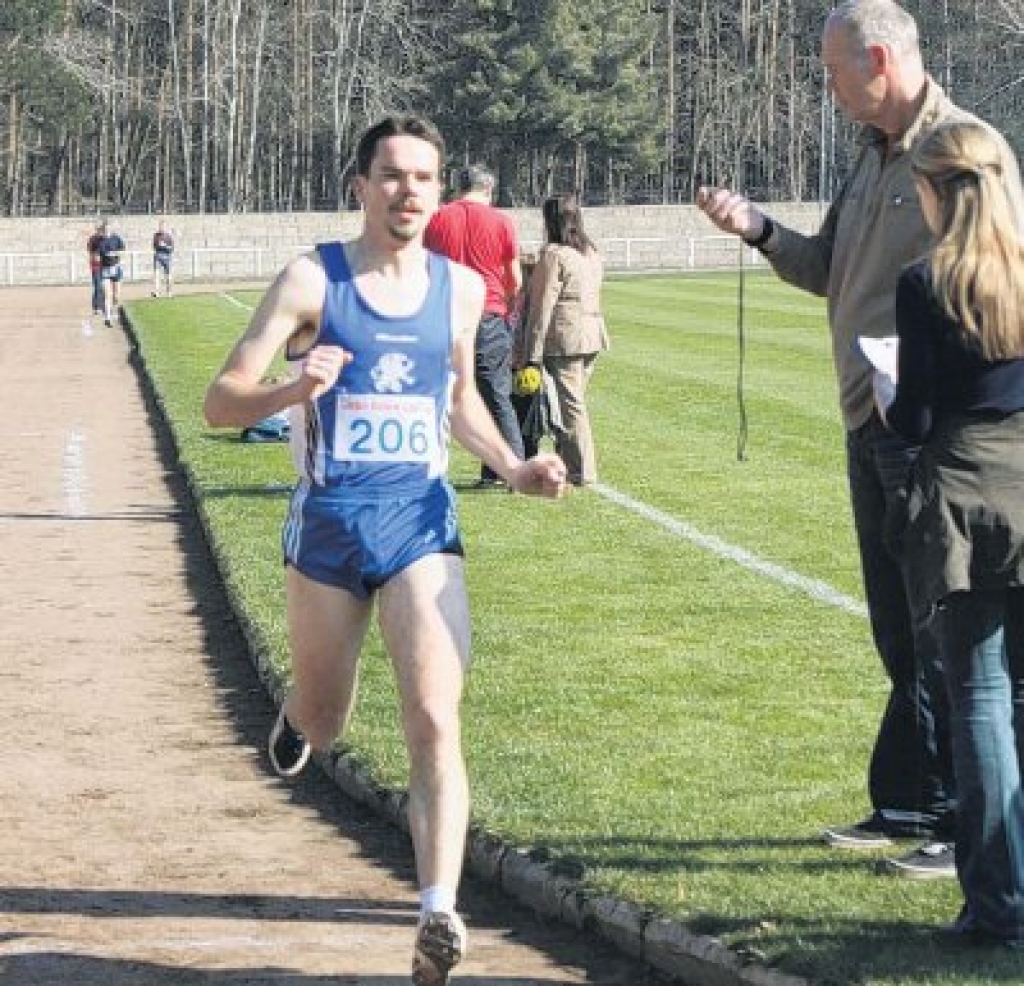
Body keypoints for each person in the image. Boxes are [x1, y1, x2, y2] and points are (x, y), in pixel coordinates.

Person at [203, 115, 567, 985]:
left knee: (436, 715)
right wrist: (296, 386)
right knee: (328, 722)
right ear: (360, 186)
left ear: (440, 194)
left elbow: (454, 401)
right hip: (329, 526)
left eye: (425, 179)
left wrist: (513, 467)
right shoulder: (312, 280)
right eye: (394, 176)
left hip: (419, 524)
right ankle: (299, 716)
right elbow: (221, 402)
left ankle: (437, 912)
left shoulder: (460, 288)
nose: (409, 192)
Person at [697, 0, 1019, 878]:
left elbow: (998, 278)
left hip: (932, 431)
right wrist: (758, 230)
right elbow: (826, 271)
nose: (826, 84)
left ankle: (967, 831)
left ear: (879, 59)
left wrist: (925, 381)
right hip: (868, 419)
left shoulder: (963, 151)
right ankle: (915, 800)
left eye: (834, 68)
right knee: (900, 632)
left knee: (953, 637)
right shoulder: (871, 159)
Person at [883, 119, 1024, 948]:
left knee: (979, 697)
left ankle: (998, 904)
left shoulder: (925, 281)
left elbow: (918, 415)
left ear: (936, 191)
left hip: (963, 488)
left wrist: (889, 396)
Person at [425, 162, 525, 489]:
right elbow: (514, 279)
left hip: (444, 314)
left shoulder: (437, 218)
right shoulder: (501, 222)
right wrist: (507, 309)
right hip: (487, 315)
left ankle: (425, 465)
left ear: (457, 187)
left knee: (436, 393)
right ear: (489, 189)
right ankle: (511, 469)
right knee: (496, 395)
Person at [516, 194, 608, 486]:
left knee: (571, 407)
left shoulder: (554, 254)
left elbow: (542, 306)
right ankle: (570, 463)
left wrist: (531, 351)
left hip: (565, 337)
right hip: (592, 334)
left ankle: (583, 470)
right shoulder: (590, 252)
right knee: (574, 404)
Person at [98, 222, 126, 327]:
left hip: (116, 269)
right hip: (105, 269)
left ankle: (113, 311)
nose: (107, 231)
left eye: (108, 229)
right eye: (105, 230)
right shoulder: (101, 241)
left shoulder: (116, 238)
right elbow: (103, 253)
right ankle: (107, 318)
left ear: (111, 230)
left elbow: (122, 249)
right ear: (103, 230)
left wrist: (116, 253)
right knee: (107, 294)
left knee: (116, 296)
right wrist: (111, 254)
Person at [86, 220, 106, 315]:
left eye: (101, 229)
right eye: (98, 229)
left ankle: (101, 306)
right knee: (98, 286)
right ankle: (98, 306)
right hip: (96, 266)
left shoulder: (106, 238)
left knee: (104, 287)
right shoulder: (93, 239)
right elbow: (91, 251)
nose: (100, 231)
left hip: (106, 266)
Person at [152, 220, 174, 297]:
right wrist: (158, 247)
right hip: (158, 256)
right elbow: (154, 246)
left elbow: (171, 249)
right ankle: (157, 292)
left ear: (165, 227)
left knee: (168, 276)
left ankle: (169, 292)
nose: (161, 228)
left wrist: (164, 246)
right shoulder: (156, 235)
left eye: (163, 226)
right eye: (160, 226)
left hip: (167, 257)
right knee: (156, 275)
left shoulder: (168, 236)